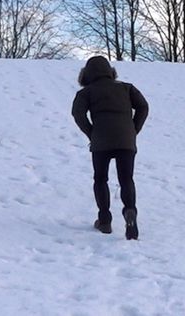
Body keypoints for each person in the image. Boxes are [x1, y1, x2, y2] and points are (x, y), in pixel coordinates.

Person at [71, 55, 149, 240]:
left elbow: (77, 113)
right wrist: (133, 129)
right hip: (126, 141)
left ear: (86, 75)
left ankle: (104, 220)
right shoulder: (126, 88)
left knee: (100, 179)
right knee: (126, 179)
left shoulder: (86, 92)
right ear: (110, 71)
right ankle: (130, 211)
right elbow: (143, 107)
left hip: (101, 141)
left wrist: (91, 132)